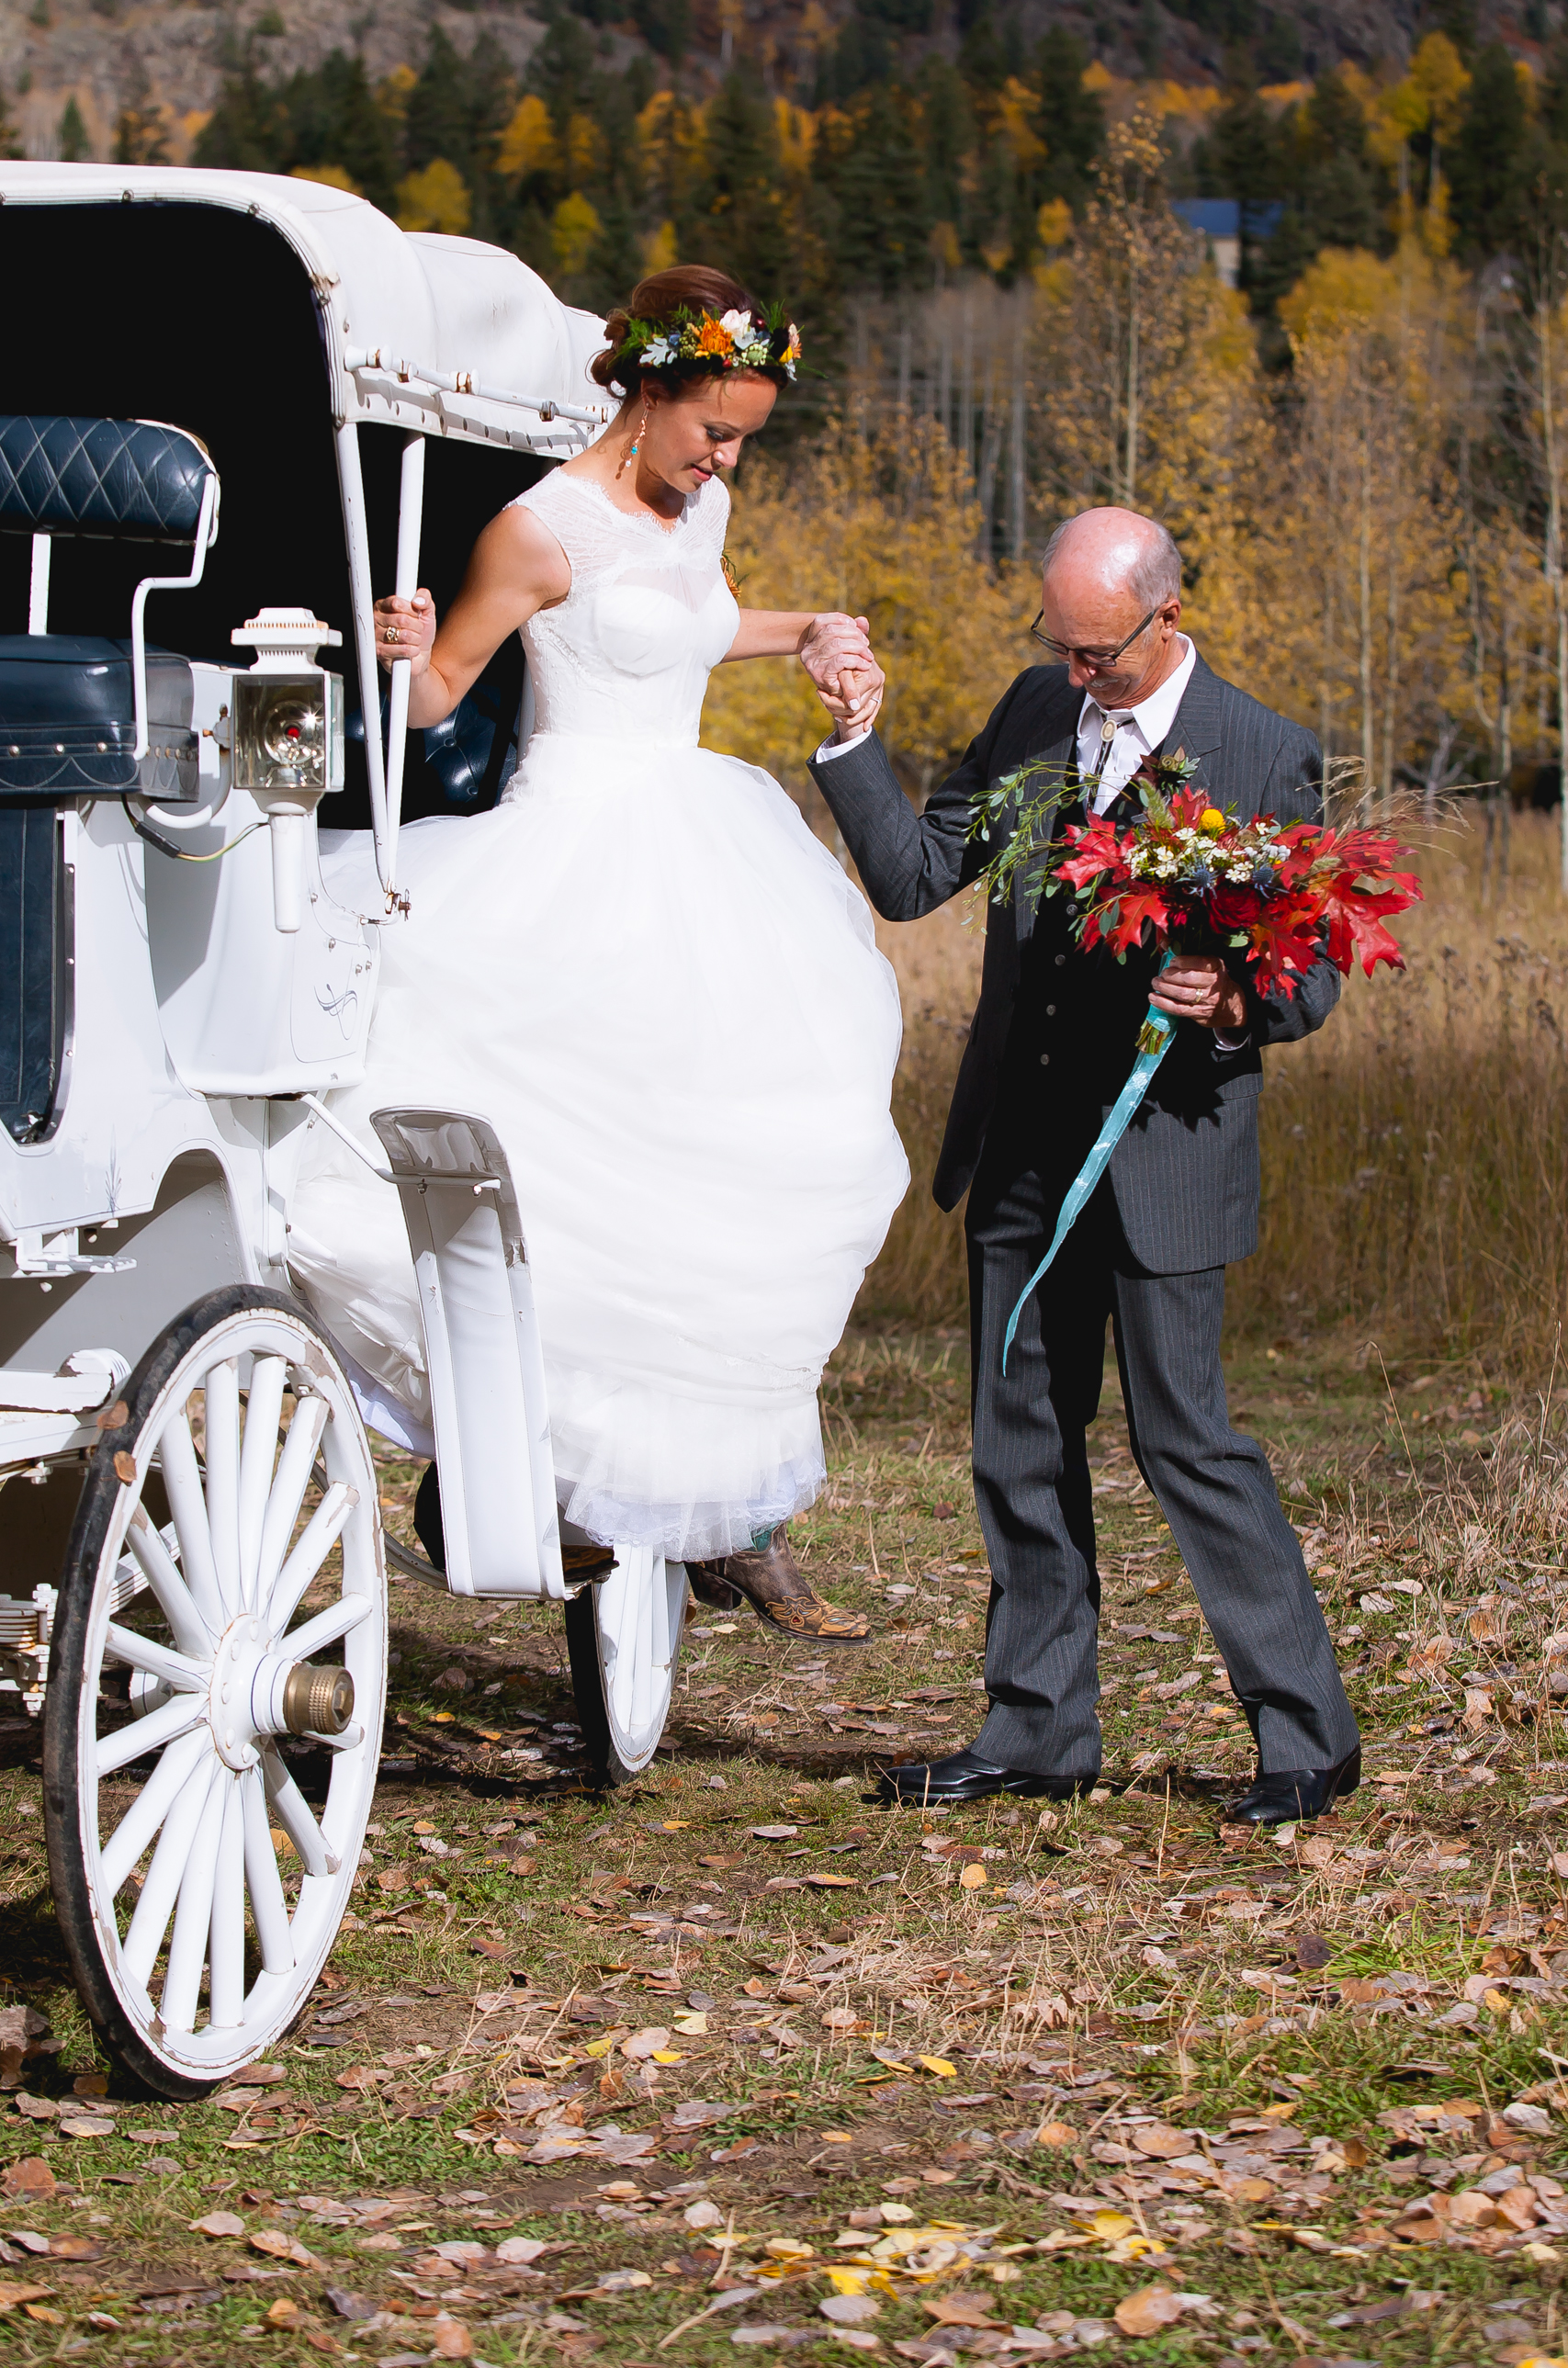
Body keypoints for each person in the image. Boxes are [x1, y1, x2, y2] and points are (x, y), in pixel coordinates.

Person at [288, 265, 907, 1641]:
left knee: (745, 1155)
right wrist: (401, 653)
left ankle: (723, 1501)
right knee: (584, 1181)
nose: (724, 459)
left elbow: (689, 628)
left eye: (742, 438)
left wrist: (800, 630)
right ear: (647, 394)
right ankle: (545, 1471)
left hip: (700, 843)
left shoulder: (707, 510)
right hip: (568, 848)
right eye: (713, 431)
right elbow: (449, 685)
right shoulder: (537, 528)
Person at [803, 505, 1360, 1818]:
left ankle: (1304, 1739)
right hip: (1018, 1148)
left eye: (1093, 653)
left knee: (1189, 1444)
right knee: (1019, 1443)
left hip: (1166, 1158)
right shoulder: (1030, 713)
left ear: (1167, 618)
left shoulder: (1268, 753)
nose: (1070, 674)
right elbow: (914, 876)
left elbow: (1312, 976)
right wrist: (851, 738)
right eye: (1054, 643)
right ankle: (1037, 1729)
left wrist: (1229, 999)